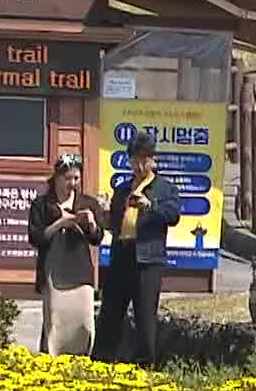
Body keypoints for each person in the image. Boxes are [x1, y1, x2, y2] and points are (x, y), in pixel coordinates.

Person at [94, 132, 181, 365]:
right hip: (121, 253)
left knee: (144, 315)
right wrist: (102, 213)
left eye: (144, 159)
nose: (139, 165)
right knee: (110, 311)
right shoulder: (122, 189)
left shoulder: (165, 188)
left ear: (153, 160)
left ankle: (145, 364)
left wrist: (149, 206)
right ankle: (101, 362)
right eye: (134, 160)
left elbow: (173, 216)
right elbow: (113, 224)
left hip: (147, 259)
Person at [28, 153, 106, 356]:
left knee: (85, 324)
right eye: (68, 178)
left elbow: (97, 239)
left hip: (80, 272)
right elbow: (36, 238)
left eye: (76, 178)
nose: (72, 183)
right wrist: (60, 224)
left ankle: (81, 362)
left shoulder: (88, 203)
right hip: (53, 272)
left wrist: (90, 224)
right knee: (55, 324)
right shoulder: (41, 205)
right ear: (56, 177)